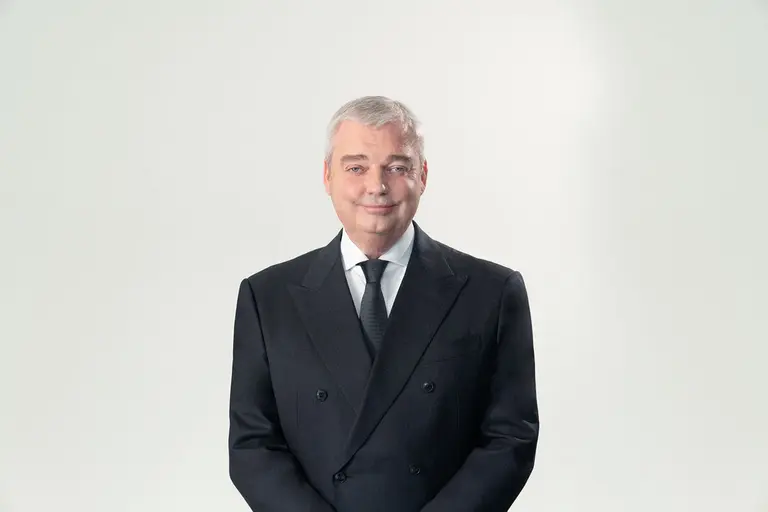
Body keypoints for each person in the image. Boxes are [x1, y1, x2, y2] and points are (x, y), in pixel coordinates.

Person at [228, 95, 539, 512]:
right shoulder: (268, 297)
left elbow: (510, 438)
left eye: (397, 167)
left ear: (422, 176)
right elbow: (252, 445)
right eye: (356, 167)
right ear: (327, 176)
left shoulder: (492, 293)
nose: (376, 186)